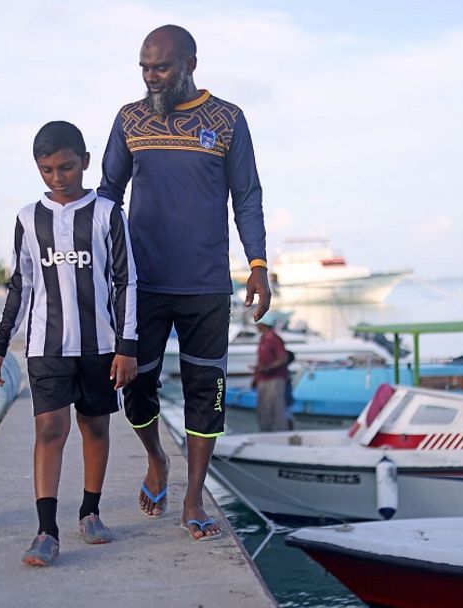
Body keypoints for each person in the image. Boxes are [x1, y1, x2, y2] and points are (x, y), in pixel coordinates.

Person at [98, 24, 271, 541]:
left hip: (205, 285)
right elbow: (109, 194)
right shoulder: (130, 119)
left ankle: (194, 498)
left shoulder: (228, 120)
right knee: (135, 385)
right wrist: (96, 264)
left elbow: (247, 196)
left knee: (206, 390)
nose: (152, 77)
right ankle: (156, 460)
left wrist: (257, 264)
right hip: (142, 285)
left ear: (190, 62)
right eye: (145, 68)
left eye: (162, 68)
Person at [0, 121, 138, 567]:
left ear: (85, 162)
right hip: (46, 347)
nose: (58, 177)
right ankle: (46, 531)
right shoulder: (28, 218)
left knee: (95, 426)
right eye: (47, 169)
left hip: (100, 345)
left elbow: (127, 280)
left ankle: (90, 512)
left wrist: (127, 346)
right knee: (49, 429)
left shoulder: (109, 214)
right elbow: (21, 283)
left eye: (66, 167)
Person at [252, 312, 289, 432]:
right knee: (263, 409)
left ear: (264, 325)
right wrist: (255, 378)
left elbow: (283, 358)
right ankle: (265, 433)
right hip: (263, 379)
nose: (256, 327)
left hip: (275, 379)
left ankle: (279, 435)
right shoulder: (263, 339)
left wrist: (269, 367)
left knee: (276, 409)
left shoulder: (275, 339)